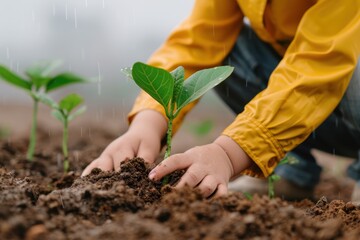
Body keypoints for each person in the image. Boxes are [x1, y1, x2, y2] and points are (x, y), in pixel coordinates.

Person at [82, 0, 360, 202]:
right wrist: (147, 124)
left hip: (338, 76)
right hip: (319, 105)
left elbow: (317, 68)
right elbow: (197, 40)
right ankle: (287, 170)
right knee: (225, 45)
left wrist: (229, 153)